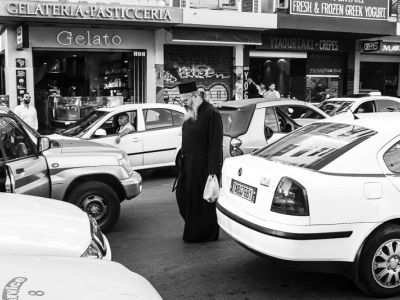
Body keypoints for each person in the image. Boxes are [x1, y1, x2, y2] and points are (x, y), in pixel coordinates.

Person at [173, 81, 223, 243]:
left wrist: (213, 172)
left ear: (194, 96)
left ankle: (204, 234)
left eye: (185, 100)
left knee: (202, 203)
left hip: (202, 167)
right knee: (184, 198)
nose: (184, 104)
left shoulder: (211, 113)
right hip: (188, 166)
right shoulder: (191, 112)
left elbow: (216, 145)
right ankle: (195, 231)